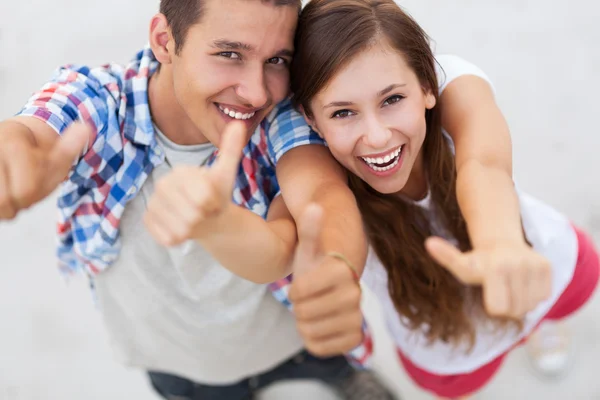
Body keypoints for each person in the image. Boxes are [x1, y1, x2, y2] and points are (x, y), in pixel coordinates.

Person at [0, 0, 530, 398]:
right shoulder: (97, 101)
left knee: (342, 374)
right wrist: (14, 155)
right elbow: (32, 132)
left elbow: (320, 205)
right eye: (229, 54)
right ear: (164, 39)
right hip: (178, 362)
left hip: (295, 338)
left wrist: (335, 269)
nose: (255, 92)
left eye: (277, 59)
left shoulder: (282, 117)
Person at [287, 0, 600, 398]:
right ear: (311, 118)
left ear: (427, 85)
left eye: (392, 100)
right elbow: (323, 214)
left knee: (537, 302)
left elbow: (484, 164)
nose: (378, 136)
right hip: (446, 344)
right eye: (343, 112)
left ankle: (537, 325)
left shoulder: (457, 84)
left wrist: (501, 245)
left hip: (537, 267)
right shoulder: (311, 159)